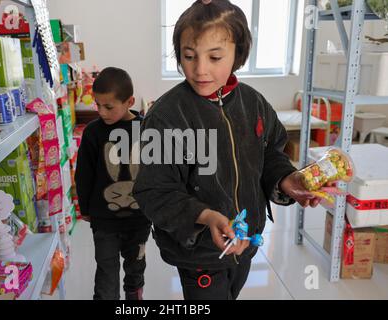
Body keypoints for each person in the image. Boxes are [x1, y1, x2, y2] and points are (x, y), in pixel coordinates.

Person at [133, 0, 320, 300]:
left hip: (246, 243)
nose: (200, 69)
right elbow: (154, 191)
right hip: (198, 253)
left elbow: (270, 154)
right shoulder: (167, 116)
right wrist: (206, 216)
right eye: (189, 56)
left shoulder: (253, 104)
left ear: (238, 54)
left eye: (215, 56)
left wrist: (287, 179)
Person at [75, 67, 151, 300]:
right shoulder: (93, 132)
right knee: (106, 271)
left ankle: (134, 296)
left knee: (135, 266)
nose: (102, 112)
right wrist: (85, 208)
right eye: (98, 105)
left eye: (109, 106)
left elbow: (155, 173)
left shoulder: (147, 130)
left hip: (139, 218)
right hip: (104, 220)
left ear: (129, 102)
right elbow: (84, 173)